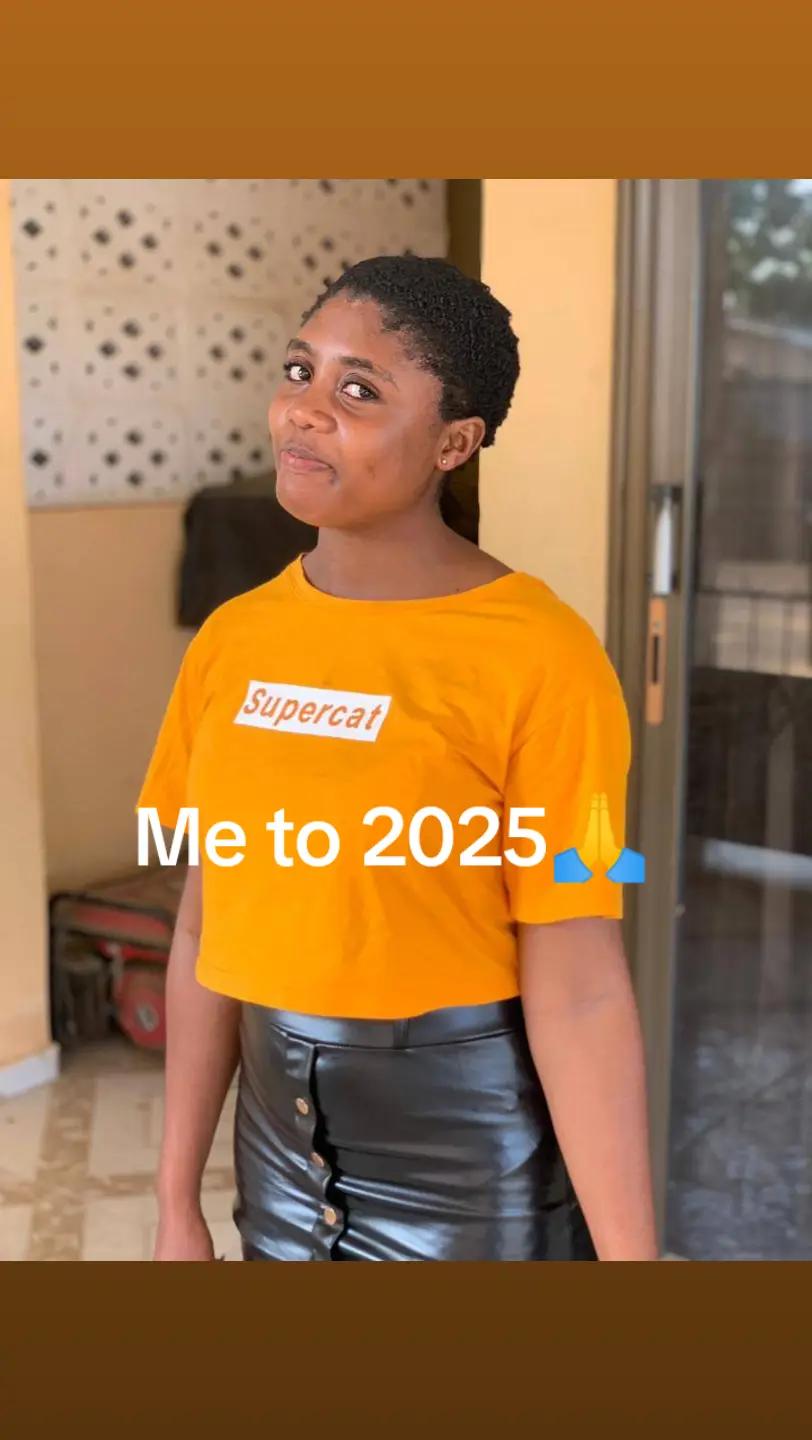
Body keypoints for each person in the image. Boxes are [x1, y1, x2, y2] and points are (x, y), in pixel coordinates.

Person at [138, 254, 658, 1262]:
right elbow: (205, 926)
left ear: (453, 442)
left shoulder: (542, 654)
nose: (304, 411)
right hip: (276, 1152)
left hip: (471, 1161)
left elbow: (581, 983)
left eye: (359, 391)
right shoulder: (231, 642)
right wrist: (174, 1202)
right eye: (300, 371)